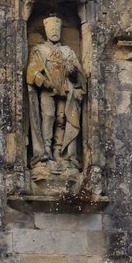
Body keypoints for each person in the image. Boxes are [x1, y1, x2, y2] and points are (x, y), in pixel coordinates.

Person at [25, 15, 86, 167]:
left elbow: (79, 74)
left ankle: (59, 151)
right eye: (51, 29)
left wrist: (73, 73)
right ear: (46, 31)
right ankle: (45, 149)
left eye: (56, 29)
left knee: (62, 119)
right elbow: (31, 73)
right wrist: (43, 81)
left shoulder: (68, 52)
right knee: (48, 116)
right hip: (47, 90)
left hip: (65, 90)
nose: (54, 31)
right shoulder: (39, 50)